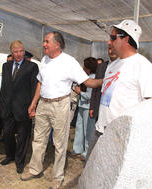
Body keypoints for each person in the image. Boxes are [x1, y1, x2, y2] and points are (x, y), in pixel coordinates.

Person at [20, 31, 102, 189]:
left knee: (59, 143)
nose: (43, 44)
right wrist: (33, 103)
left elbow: (88, 82)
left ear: (57, 44)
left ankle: (57, 177)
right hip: (43, 104)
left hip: (60, 105)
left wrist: (104, 81)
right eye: (44, 41)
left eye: (46, 41)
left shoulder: (69, 62)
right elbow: (39, 83)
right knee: (38, 139)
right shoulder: (44, 59)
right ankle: (35, 169)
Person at [87, 19, 152, 161]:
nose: (109, 42)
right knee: (88, 175)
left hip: (120, 137)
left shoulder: (143, 67)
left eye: (113, 37)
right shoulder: (113, 65)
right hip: (100, 130)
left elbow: (151, 107)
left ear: (126, 38)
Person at [0, 40, 38, 174]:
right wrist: (1, 104)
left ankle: (19, 161)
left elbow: (34, 88)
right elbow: (4, 86)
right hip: (7, 108)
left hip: (24, 108)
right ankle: (10, 155)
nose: (19, 54)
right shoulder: (6, 66)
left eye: (21, 51)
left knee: (23, 136)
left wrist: (33, 106)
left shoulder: (32, 67)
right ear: (11, 52)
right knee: (8, 134)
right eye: (16, 52)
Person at [72, 57, 97, 161]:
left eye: (84, 66)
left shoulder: (93, 79)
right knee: (79, 127)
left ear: (89, 68)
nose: (83, 68)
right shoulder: (86, 77)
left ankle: (87, 152)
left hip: (88, 107)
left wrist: (79, 92)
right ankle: (77, 149)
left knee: (88, 130)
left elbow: (91, 96)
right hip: (82, 105)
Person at [89, 50, 118, 122]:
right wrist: (92, 107)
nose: (112, 51)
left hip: (114, 109)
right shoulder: (101, 66)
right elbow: (95, 87)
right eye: (110, 49)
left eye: (114, 49)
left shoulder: (123, 66)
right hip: (100, 106)